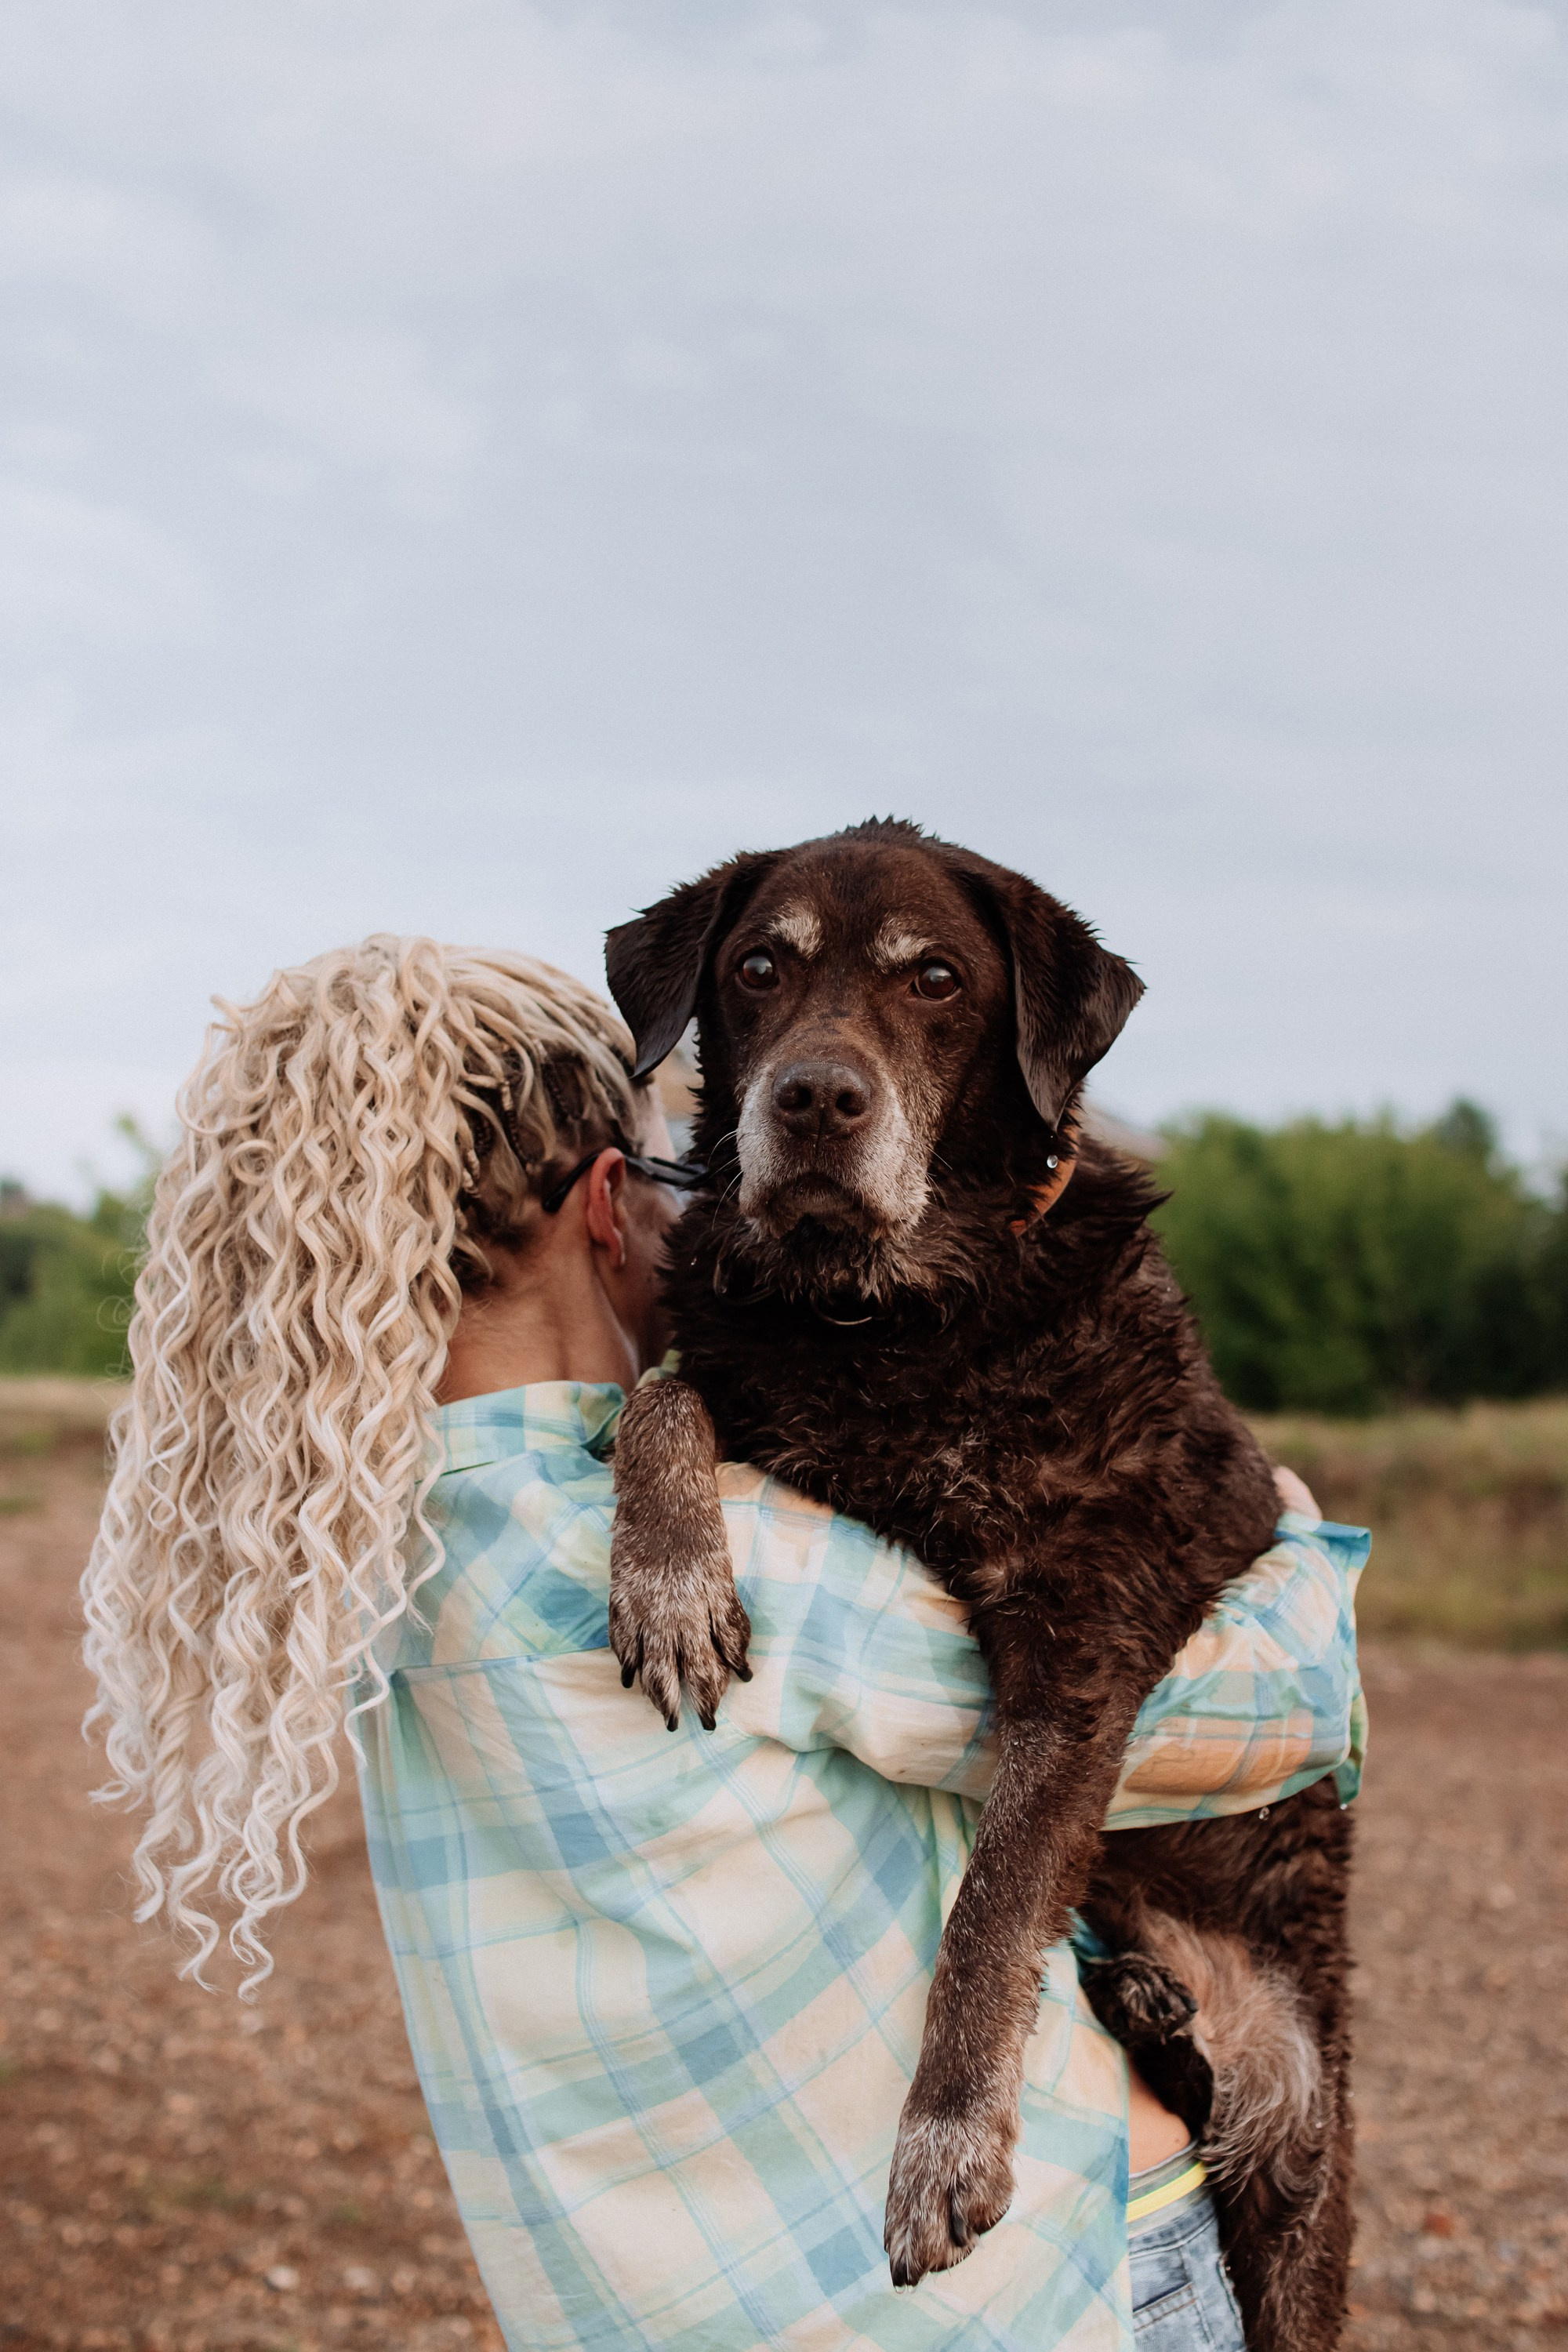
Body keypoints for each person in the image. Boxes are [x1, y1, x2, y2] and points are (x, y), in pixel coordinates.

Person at [84, 937, 1367, 2352]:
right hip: (1036, 2285)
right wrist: (1301, 1544)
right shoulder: (741, 1565)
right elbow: (1248, 1712)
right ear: (609, 1208)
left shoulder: (373, 1562)